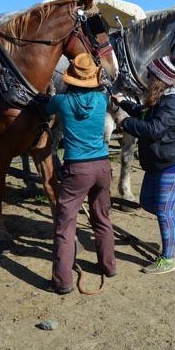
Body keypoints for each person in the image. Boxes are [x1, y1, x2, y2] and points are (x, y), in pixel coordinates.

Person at [111, 55, 175, 274]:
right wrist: (124, 104)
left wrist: (125, 122)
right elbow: (144, 113)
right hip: (158, 163)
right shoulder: (160, 98)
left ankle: (168, 259)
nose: (146, 78)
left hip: (173, 165)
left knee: (164, 211)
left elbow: (154, 129)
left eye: (150, 75)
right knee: (148, 203)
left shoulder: (173, 104)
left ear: (159, 79)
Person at [46, 53, 116, 294]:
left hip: (77, 168)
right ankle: (109, 266)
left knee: (65, 225)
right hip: (103, 166)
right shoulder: (101, 98)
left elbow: (45, 107)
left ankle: (63, 281)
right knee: (102, 218)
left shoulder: (62, 102)